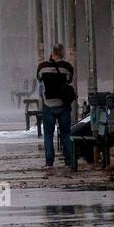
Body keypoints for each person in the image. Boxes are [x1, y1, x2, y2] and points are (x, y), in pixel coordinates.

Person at [36, 44, 76, 172]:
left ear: (52, 52)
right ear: (62, 53)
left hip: (48, 104)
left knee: (48, 134)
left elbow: (39, 79)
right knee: (65, 133)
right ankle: (69, 161)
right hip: (63, 104)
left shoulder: (42, 67)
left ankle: (49, 162)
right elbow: (69, 80)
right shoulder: (67, 67)